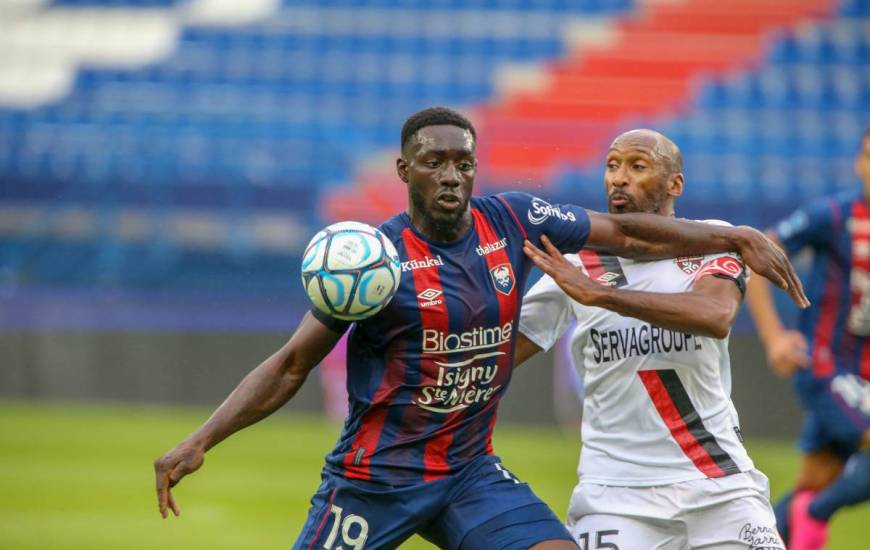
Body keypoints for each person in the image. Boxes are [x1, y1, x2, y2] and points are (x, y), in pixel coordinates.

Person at [153, 108, 806, 550]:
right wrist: (203, 438)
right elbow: (293, 362)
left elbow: (630, 235)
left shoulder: (515, 220)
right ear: (406, 171)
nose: (452, 175)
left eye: (463, 162)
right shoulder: (375, 262)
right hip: (376, 478)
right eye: (434, 163)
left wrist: (736, 235)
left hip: (470, 474)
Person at [516, 129, 787, 549]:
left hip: (718, 484)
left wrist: (602, 295)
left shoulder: (716, 240)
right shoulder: (575, 264)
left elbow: (714, 316)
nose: (618, 178)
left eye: (637, 166)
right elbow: (501, 352)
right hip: (615, 494)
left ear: (674, 184)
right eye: (612, 165)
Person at [745, 128, 870, 550]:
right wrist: (775, 338)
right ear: (858, 162)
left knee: (814, 481)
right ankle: (813, 516)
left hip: (863, 379)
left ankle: (773, 538)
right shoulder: (833, 216)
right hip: (825, 367)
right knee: (815, 501)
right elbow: (758, 251)